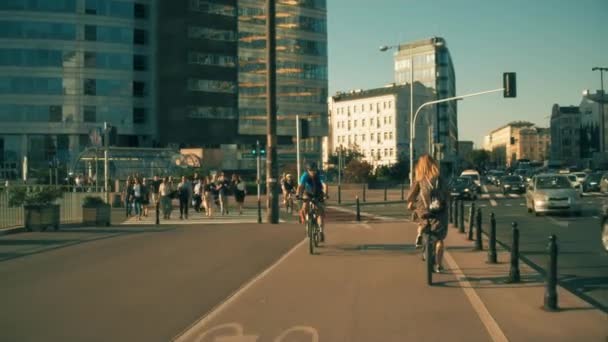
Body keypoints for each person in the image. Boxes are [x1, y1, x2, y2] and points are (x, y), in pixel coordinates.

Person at [406, 154, 449, 273]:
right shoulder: (440, 178)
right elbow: (447, 194)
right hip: (439, 211)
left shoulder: (419, 179)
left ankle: (420, 233)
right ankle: (439, 266)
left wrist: (410, 203)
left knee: (422, 221)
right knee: (439, 239)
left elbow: (411, 195)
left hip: (423, 210)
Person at [296, 162, 328, 242]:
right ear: (308, 170)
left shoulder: (320, 175)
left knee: (320, 212)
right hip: (308, 193)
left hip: (318, 193)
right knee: (305, 206)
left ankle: (320, 231)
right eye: (310, 170)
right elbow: (300, 186)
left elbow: (325, 185)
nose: (312, 172)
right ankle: (307, 221)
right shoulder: (305, 175)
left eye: (314, 170)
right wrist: (297, 195)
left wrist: (325, 194)